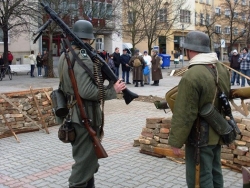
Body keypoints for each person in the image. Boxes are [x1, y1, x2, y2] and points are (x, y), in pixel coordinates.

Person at [58, 20, 126, 188]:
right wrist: (113, 91)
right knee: (83, 166)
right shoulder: (81, 57)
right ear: (88, 39)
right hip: (84, 116)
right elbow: (86, 91)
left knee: (88, 161)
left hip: (75, 115)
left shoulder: (66, 54)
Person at [168, 31, 231, 188]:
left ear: (189, 50)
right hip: (218, 131)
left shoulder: (192, 75)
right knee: (216, 172)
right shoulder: (222, 69)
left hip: (199, 136)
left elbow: (184, 112)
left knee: (200, 178)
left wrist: (176, 141)